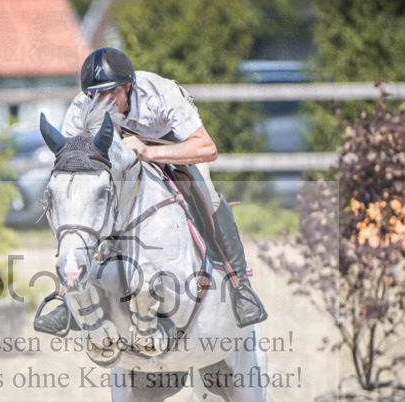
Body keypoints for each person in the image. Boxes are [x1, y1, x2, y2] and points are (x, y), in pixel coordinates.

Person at [34, 47, 268, 334]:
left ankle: (240, 286)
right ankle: (66, 297)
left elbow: (207, 148)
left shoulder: (160, 94)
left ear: (129, 85)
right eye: (94, 94)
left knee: (208, 193)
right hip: (119, 165)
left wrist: (148, 152)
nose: (101, 101)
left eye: (110, 93)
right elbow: (78, 164)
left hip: (174, 149)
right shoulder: (81, 108)